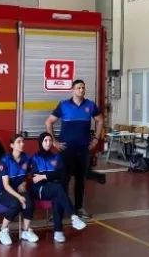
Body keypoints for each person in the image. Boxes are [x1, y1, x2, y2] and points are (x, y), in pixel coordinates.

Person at [45, 79, 104, 220]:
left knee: (80, 181)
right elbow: (49, 122)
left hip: (83, 150)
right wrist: (54, 141)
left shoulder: (90, 105)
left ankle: (79, 209)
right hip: (66, 150)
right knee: (63, 181)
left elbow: (100, 120)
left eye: (83, 88)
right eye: (79, 88)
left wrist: (96, 138)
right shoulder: (64, 105)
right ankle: (59, 211)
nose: (82, 90)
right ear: (72, 90)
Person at [30, 132, 87, 243]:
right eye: (45, 141)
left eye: (50, 140)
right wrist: (49, 176)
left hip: (52, 188)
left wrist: (44, 176)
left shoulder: (56, 158)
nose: (48, 143)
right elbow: (35, 177)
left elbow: (61, 173)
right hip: (38, 189)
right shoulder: (35, 159)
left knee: (57, 195)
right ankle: (74, 217)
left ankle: (58, 231)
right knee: (58, 188)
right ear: (40, 142)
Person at [0, 134, 39, 245]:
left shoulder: (26, 158)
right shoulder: (5, 160)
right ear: (12, 145)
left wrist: (24, 183)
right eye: (19, 142)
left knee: (29, 203)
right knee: (16, 203)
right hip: (3, 191)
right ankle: (2, 231)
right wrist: (19, 197)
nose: (22, 144)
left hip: (18, 188)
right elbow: (6, 185)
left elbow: (27, 175)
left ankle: (25, 231)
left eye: (23, 141)